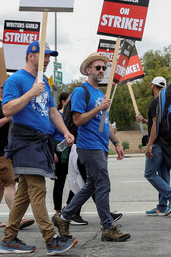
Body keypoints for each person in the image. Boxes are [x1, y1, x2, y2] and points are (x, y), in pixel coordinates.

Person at [0, 41, 77, 255]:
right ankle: (51, 240)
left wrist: (65, 132)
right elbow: (6, 110)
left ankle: (9, 238)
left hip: (41, 142)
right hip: (24, 142)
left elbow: (52, 112)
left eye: (50, 56)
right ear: (31, 56)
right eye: (44, 56)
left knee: (23, 194)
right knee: (38, 189)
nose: (48, 60)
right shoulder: (16, 80)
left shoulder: (44, 83)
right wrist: (31, 93)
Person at [52, 54, 130, 242]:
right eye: (98, 68)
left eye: (103, 68)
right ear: (88, 71)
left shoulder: (101, 94)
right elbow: (78, 120)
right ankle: (107, 227)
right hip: (89, 147)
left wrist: (117, 142)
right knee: (103, 184)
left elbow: (106, 122)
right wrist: (99, 108)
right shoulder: (81, 91)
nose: (102, 70)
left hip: (101, 146)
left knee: (92, 185)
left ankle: (63, 217)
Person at [0, 84, 33, 229]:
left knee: (0, 184)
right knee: (10, 183)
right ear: (0, 88)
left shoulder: (13, 103)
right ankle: (18, 217)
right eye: (7, 87)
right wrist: (6, 119)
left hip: (12, 150)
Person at [142, 76, 171, 216]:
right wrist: (144, 120)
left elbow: (155, 125)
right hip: (170, 145)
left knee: (149, 173)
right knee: (163, 173)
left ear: (153, 86)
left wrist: (149, 144)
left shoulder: (156, 101)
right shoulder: (167, 101)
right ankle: (162, 205)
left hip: (158, 144)